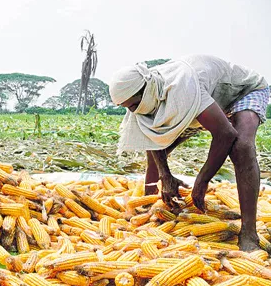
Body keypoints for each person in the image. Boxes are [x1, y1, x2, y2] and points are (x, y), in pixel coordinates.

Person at [109, 55, 269, 251]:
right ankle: (149, 203)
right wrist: (164, 177)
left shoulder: (182, 87)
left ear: (145, 91)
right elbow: (152, 139)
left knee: (241, 147)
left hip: (243, 92)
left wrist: (202, 180)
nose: (132, 111)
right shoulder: (141, 99)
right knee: (160, 148)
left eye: (133, 106)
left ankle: (249, 233)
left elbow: (225, 134)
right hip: (204, 102)